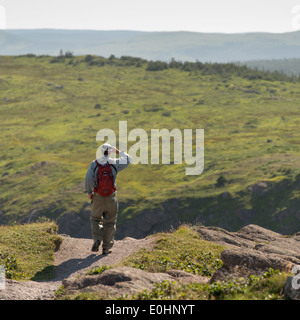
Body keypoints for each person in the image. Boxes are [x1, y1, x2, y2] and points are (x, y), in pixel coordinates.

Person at [85, 143, 132, 254]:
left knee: (95, 219)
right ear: (110, 152)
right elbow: (128, 159)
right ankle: (106, 248)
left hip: (98, 197)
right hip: (111, 197)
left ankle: (97, 238)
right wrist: (118, 151)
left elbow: (88, 179)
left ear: (101, 151)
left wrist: (89, 192)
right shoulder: (114, 163)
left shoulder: (94, 164)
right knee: (110, 222)